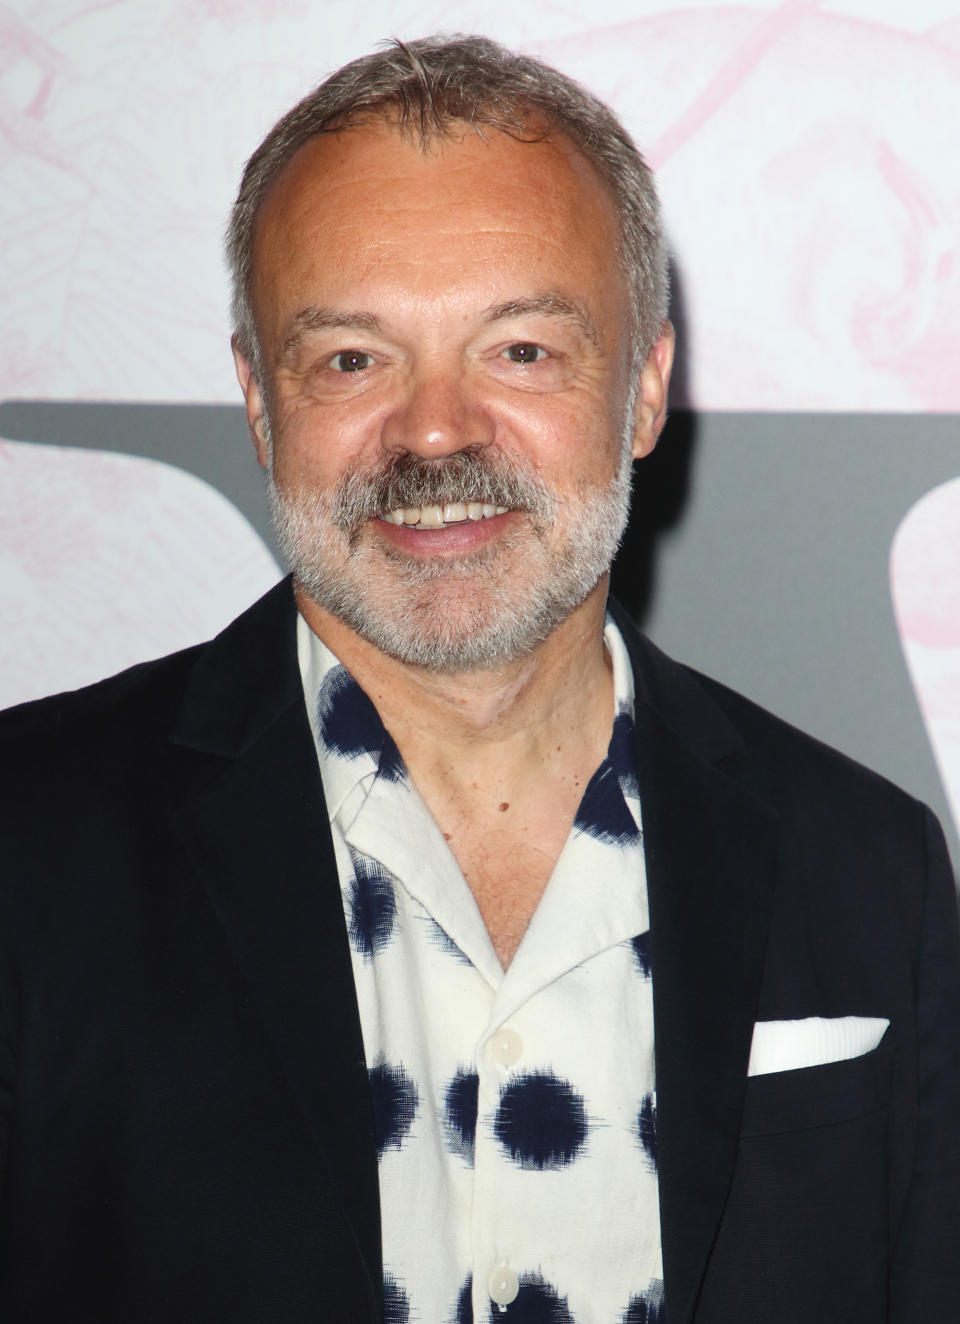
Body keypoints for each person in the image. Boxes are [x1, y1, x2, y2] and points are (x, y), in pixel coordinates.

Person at [0, 34, 958, 1324]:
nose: (435, 430)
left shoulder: (871, 868)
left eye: (519, 350)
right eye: (350, 357)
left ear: (645, 388)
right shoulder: (25, 845)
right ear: (256, 401)